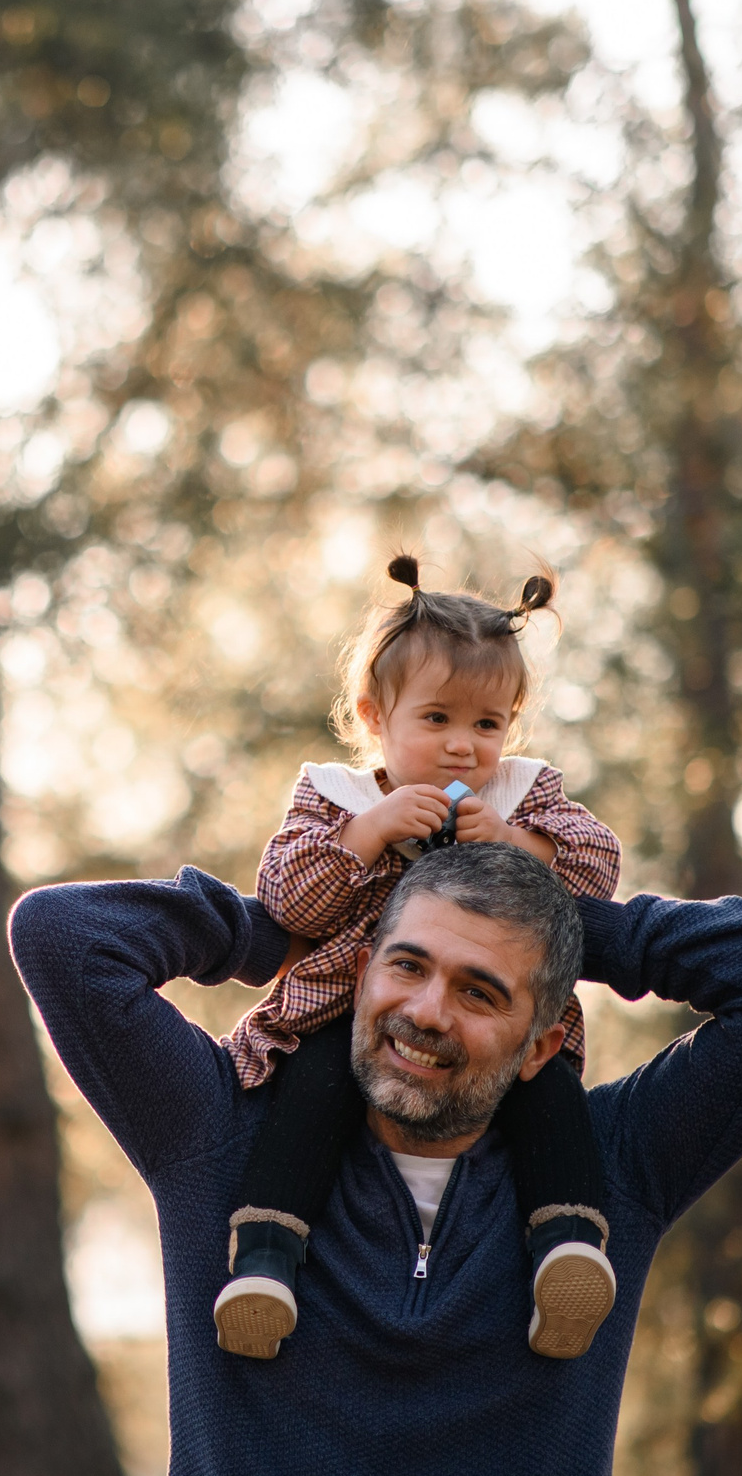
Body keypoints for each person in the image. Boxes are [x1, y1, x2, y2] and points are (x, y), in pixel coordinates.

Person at [8, 845, 742, 1476]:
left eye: (481, 990)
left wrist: (570, 922)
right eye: (407, 965)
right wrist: (301, 916)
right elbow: (62, 933)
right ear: (361, 972)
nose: (426, 1011)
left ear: (541, 1043)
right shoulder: (222, 1137)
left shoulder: (614, 1171)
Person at [216, 555, 623, 1363]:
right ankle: (266, 1258)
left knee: (551, 1096)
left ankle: (567, 1247)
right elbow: (288, 899)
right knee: (311, 1093)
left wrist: (515, 842)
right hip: (349, 1014)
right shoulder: (338, 799)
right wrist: (368, 834)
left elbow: (599, 871)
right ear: (375, 715)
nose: (464, 747)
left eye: (487, 724)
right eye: (436, 718)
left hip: (492, 1025)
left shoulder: (523, 796)